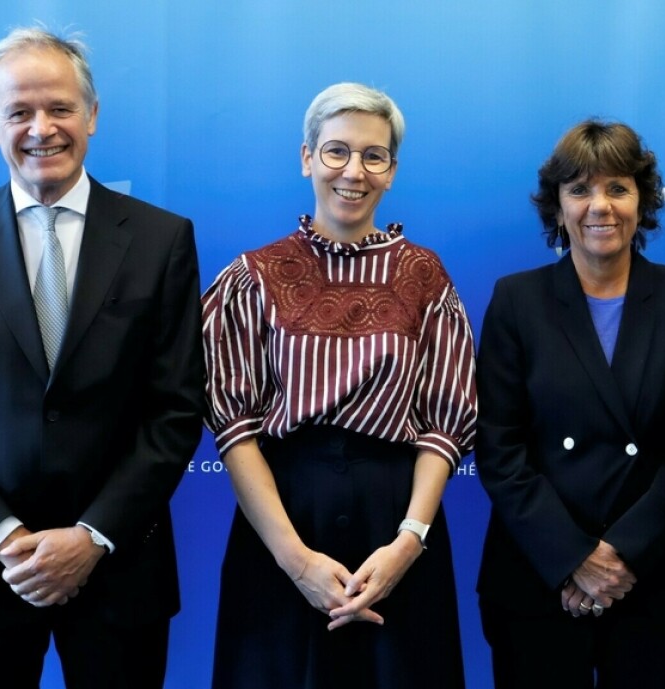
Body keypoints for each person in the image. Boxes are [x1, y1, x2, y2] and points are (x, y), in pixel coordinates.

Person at [0, 27, 205, 689]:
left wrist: (91, 536)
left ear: (91, 115)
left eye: (59, 108)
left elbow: (174, 409)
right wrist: (3, 537)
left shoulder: (161, 239)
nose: (42, 128)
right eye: (19, 111)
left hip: (120, 569)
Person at [202, 82, 476, 689]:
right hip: (282, 523)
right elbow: (234, 429)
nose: (354, 171)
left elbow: (445, 423)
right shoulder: (252, 276)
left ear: (392, 171)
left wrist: (409, 542)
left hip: (398, 525)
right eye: (336, 151)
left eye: (373, 156)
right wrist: (294, 560)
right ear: (306, 158)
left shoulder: (425, 276)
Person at [475, 119, 665, 689]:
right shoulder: (517, 300)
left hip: (651, 576)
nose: (600, 207)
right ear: (557, 205)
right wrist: (573, 558)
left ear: (643, 201)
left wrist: (618, 557)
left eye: (618, 188)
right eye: (580, 189)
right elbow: (499, 447)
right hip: (537, 577)